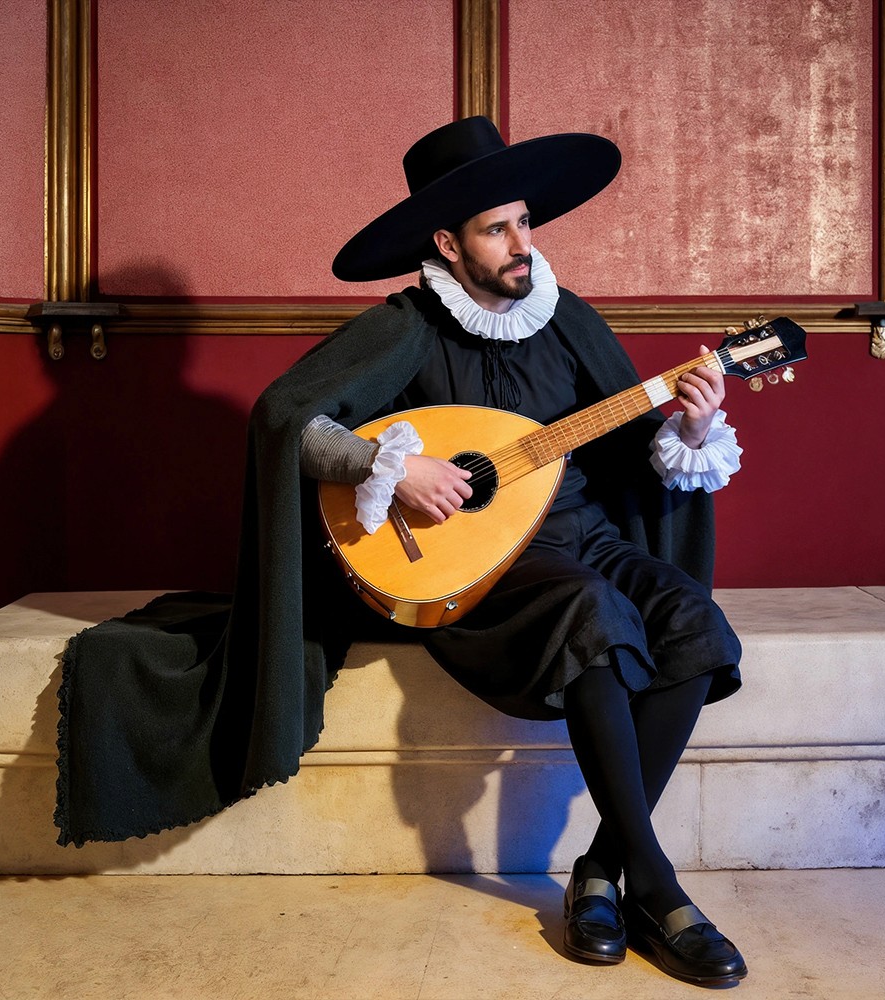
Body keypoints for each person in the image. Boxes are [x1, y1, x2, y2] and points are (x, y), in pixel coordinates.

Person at [277, 116, 750, 987]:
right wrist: (398, 466)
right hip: (483, 566)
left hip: (587, 540)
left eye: (525, 223)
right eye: (498, 229)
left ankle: (604, 871)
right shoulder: (406, 326)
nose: (521, 244)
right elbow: (292, 426)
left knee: (694, 623)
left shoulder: (564, 319)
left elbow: (622, 443)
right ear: (448, 244)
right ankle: (658, 884)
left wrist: (688, 424)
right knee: (593, 615)